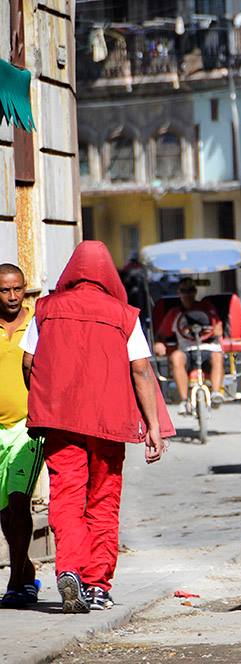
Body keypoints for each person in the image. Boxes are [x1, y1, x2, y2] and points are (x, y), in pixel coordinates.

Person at [20, 241, 174, 613]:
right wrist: (153, 426)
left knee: (67, 496)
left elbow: (28, 363)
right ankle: (96, 585)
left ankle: (68, 567)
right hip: (108, 421)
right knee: (103, 500)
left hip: (60, 420)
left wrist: (45, 396)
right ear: (108, 274)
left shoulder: (45, 309)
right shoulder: (123, 314)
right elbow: (140, 369)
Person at [0, 264, 44, 608]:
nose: (12, 297)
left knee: (19, 501)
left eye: (17, 289)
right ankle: (26, 571)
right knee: (3, 511)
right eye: (4, 290)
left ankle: (16, 583)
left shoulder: (38, 324)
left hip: (29, 427)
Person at [152, 278, 226, 413]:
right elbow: (161, 334)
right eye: (184, 291)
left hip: (208, 347)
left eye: (190, 290)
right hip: (186, 350)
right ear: (179, 293)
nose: (187, 294)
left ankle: (216, 393)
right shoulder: (174, 313)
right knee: (176, 357)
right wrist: (159, 344)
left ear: (195, 292)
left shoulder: (207, 308)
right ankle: (184, 401)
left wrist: (217, 329)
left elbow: (218, 325)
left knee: (217, 356)